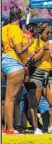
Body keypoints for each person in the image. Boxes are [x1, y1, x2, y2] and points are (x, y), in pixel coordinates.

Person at [1, 7, 33, 135]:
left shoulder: (4, 28)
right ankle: (10, 129)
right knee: (11, 99)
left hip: (5, 61)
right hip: (15, 64)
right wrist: (29, 44)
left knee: (7, 99)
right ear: (20, 17)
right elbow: (19, 50)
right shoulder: (16, 30)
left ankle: (6, 128)